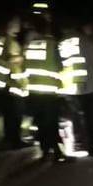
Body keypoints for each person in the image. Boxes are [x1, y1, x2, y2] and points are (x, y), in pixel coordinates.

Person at [24, 19, 72, 163]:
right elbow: (60, 66)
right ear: (47, 29)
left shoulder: (31, 45)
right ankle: (57, 153)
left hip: (34, 90)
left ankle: (45, 151)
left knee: (40, 122)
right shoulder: (52, 44)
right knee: (51, 123)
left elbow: (26, 65)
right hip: (49, 90)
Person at [59, 19, 93, 156]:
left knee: (76, 117)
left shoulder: (61, 42)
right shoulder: (84, 40)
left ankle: (79, 143)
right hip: (86, 86)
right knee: (90, 117)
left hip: (69, 86)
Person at [0, 14, 30, 150]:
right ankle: (15, 141)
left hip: (1, 82)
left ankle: (9, 139)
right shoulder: (10, 42)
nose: (19, 25)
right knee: (15, 114)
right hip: (12, 82)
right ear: (9, 24)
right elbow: (12, 63)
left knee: (8, 113)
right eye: (17, 22)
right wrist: (21, 57)